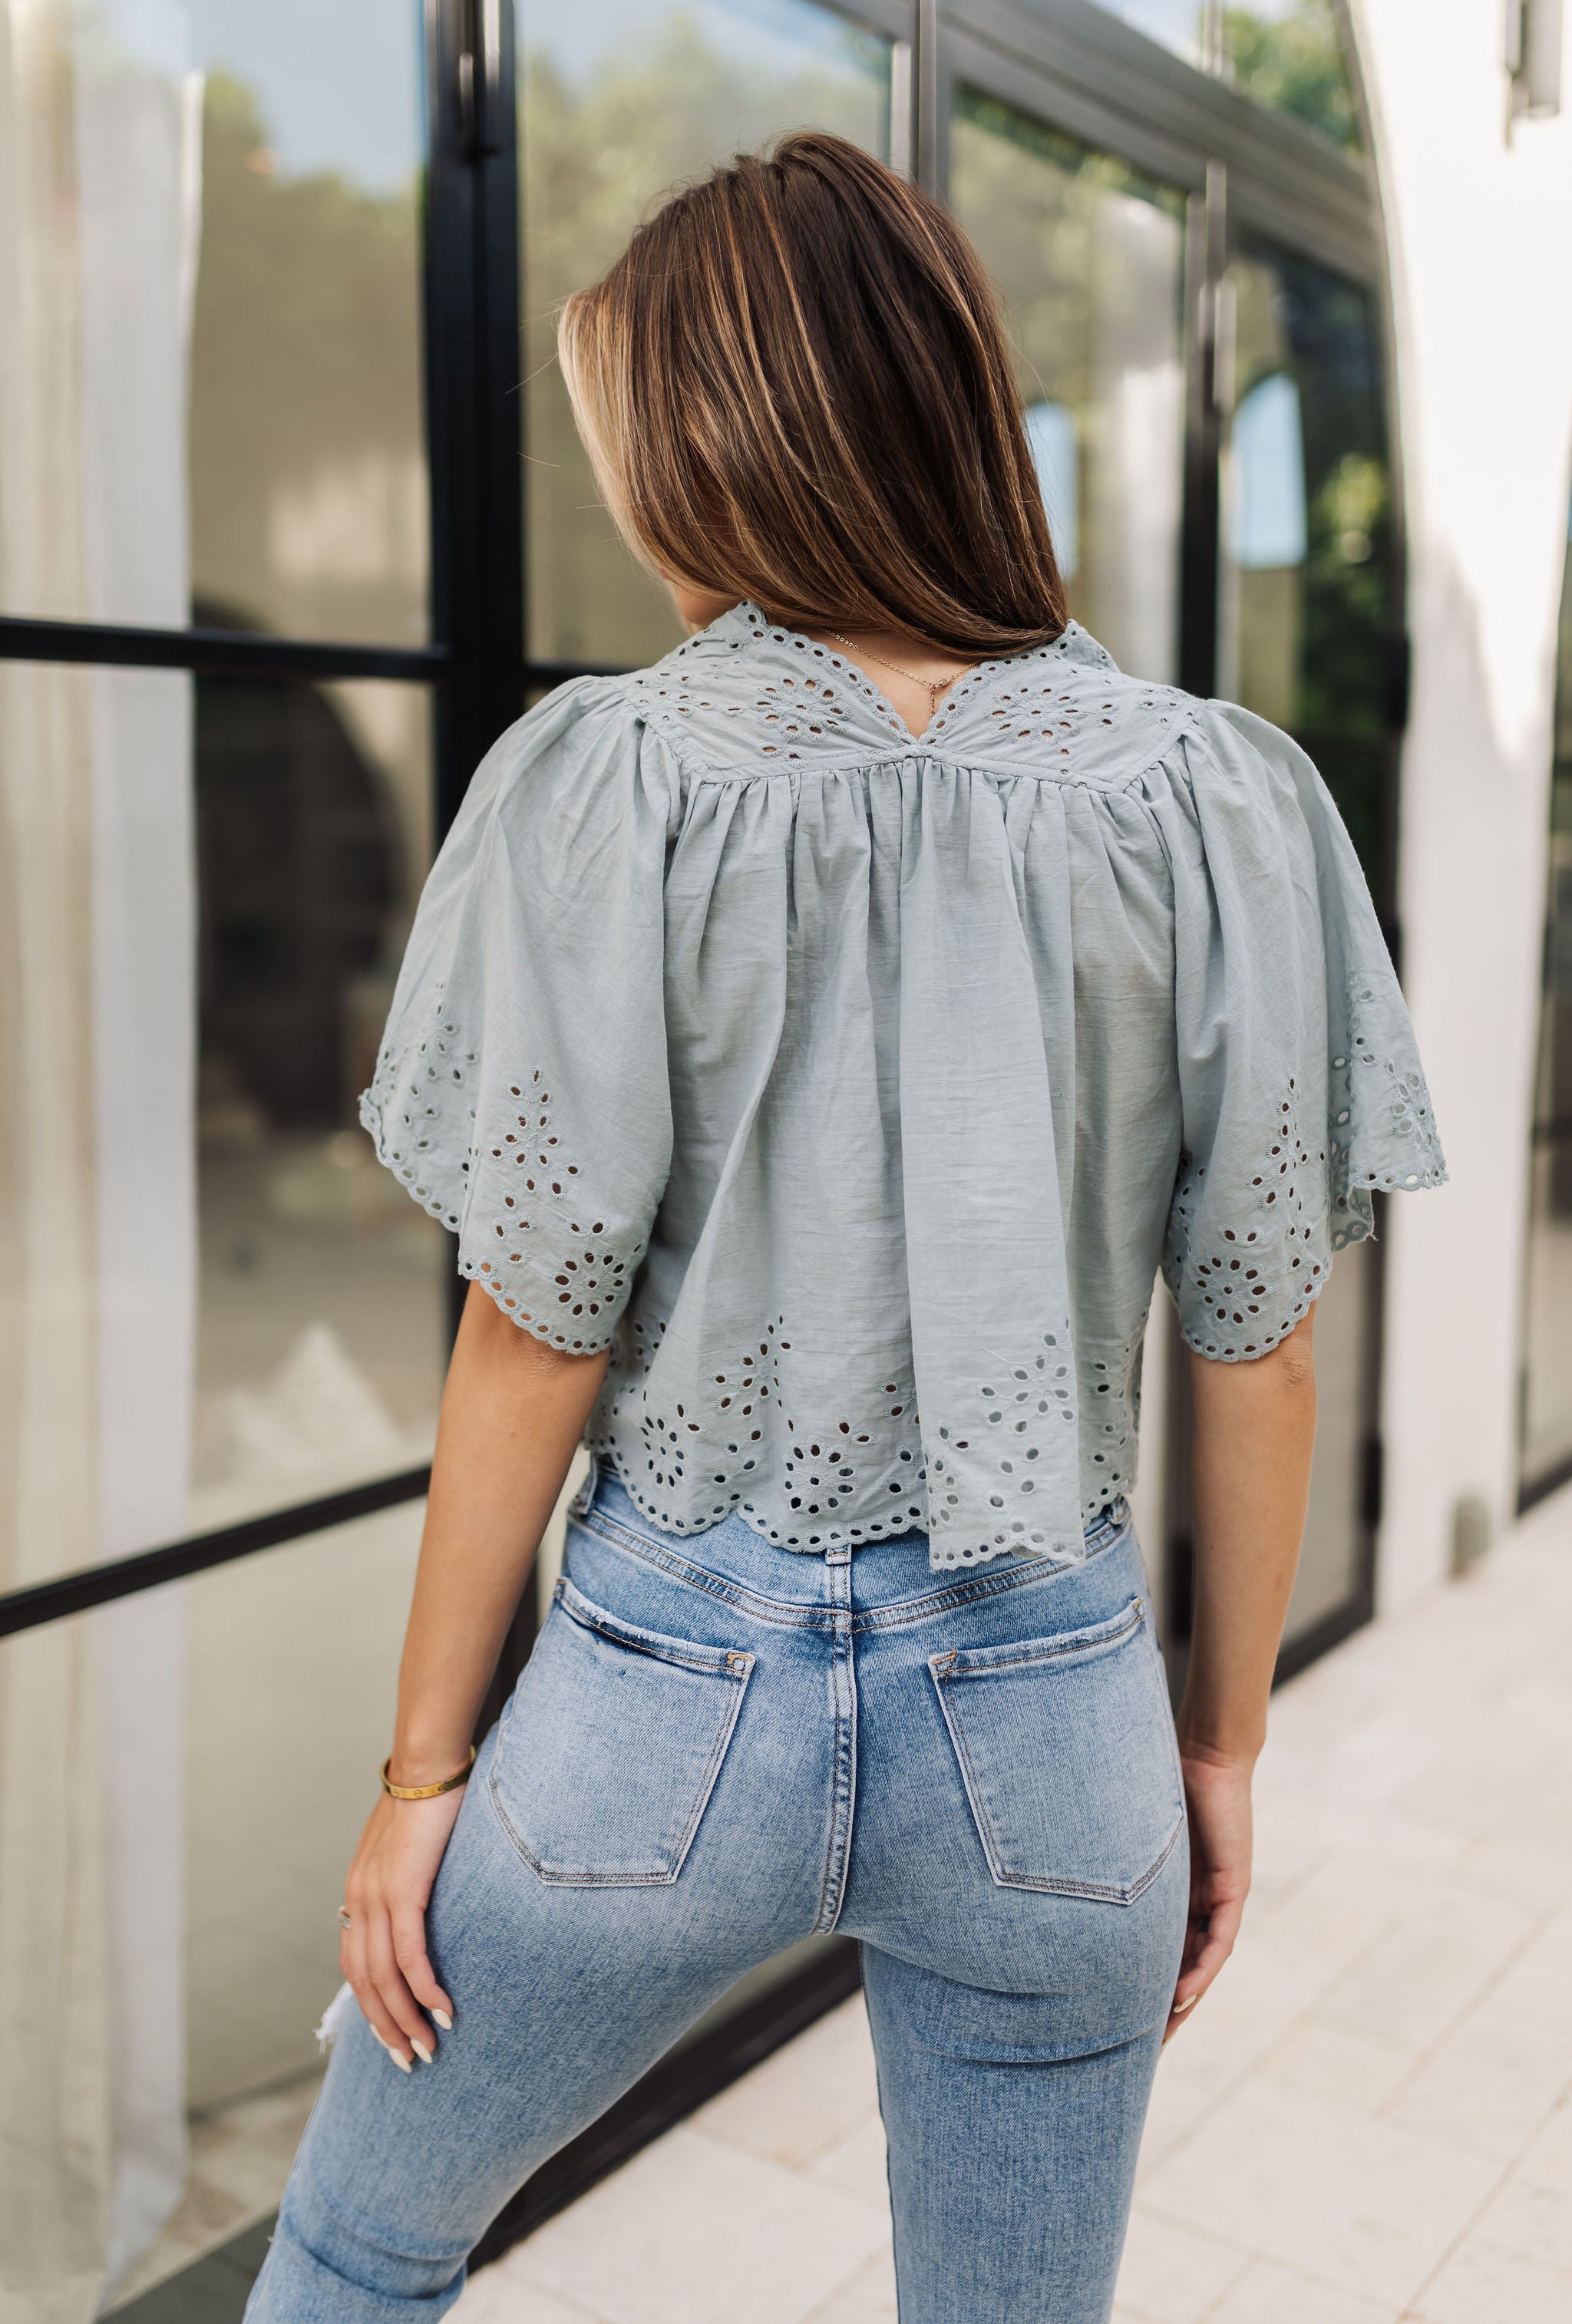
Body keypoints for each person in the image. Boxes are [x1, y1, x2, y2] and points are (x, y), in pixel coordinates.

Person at [246, 132, 1445, 2324]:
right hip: (1054, 1709)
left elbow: (536, 1329)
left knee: (357, 2249)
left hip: (655, 1706)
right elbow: (1259, 1339)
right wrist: (1223, 1751)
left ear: (718, 447)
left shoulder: (611, 779)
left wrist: (420, 1777)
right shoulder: (1214, 798)